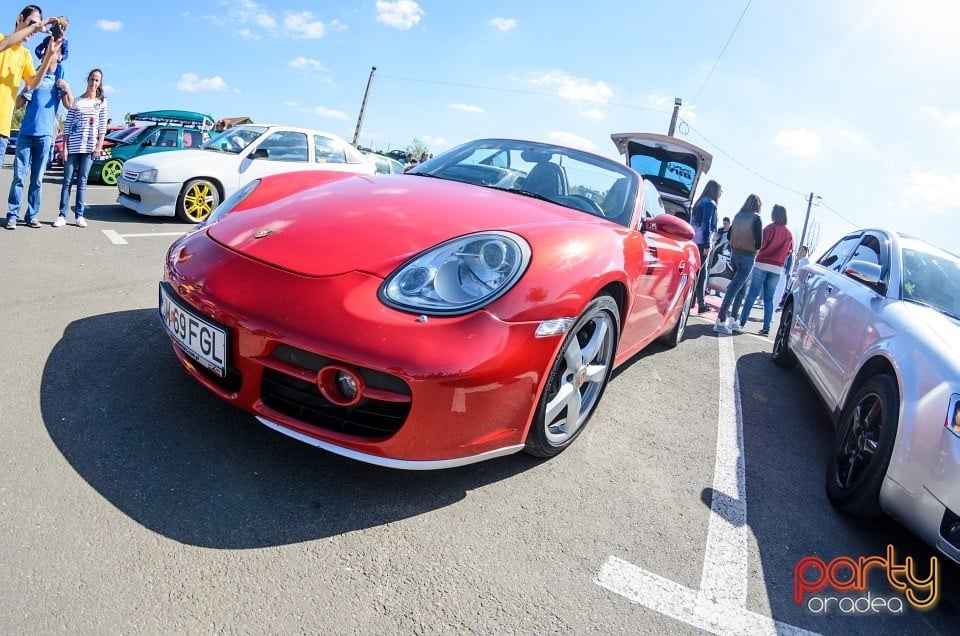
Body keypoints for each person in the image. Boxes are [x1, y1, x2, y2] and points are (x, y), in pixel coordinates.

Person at [5, 47, 71, 229]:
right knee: (19, 177)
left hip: (45, 136)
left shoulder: (59, 82)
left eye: (52, 53)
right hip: (25, 135)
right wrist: (25, 90)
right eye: (45, 53)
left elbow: (69, 105)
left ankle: (32, 215)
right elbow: (18, 105)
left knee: (37, 179)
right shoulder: (34, 78)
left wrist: (67, 88)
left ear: (58, 57)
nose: (47, 56)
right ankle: (12, 214)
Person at [0, 6, 62, 159]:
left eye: (38, 25)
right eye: (31, 22)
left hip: (2, 129)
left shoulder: (25, 55)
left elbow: (33, 83)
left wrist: (48, 56)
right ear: (20, 19)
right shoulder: (1, 39)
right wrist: (36, 26)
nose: (35, 29)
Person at [56, 68, 107, 228]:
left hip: (89, 148)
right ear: (87, 80)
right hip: (73, 147)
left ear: (100, 83)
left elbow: (102, 127)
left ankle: (79, 215)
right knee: (67, 181)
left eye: (97, 80)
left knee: (82, 181)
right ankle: (62, 215)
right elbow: (68, 125)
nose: (93, 83)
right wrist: (64, 148)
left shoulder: (101, 102)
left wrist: (99, 146)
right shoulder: (77, 101)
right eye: (92, 79)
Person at [736, 204, 794, 336]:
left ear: (775, 214)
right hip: (777, 268)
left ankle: (742, 321)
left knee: (752, 294)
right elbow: (790, 252)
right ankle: (766, 328)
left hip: (762, 264)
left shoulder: (769, 228)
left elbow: (761, 245)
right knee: (769, 298)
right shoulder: (789, 234)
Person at [714, 194, 763, 335]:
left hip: (734, 255)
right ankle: (721, 320)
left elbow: (729, 236)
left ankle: (734, 320)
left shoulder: (738, 216)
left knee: (740, 288)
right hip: (747, 257)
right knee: (734, 288)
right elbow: (759, 242)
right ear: (758, 205)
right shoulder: (756, 218)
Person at [691, 180, 722, 313]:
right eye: (720, 191)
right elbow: (707, 223)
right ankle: (690, 300)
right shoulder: (710, 203)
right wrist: (707, 243)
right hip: (702, 241)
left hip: (694, 238)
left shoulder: (700, 201)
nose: (721, 194)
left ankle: (700, 304)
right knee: (697, 273)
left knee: (701, 274)